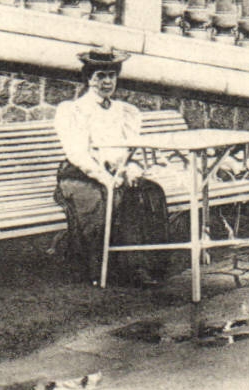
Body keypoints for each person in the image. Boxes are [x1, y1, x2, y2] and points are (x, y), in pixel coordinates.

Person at [52, 47, 170, 287]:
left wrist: (130, 168)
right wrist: (105, 177)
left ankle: (146, 265)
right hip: (81, 175)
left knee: (150, 192)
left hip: (115, 171)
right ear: (88, 79)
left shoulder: (123, 111)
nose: (106, 82)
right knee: (110, 197)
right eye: (100, 76)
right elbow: (78, 153)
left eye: (111, 76)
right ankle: (110, 268)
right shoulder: (73, 110)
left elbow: (127, 149)